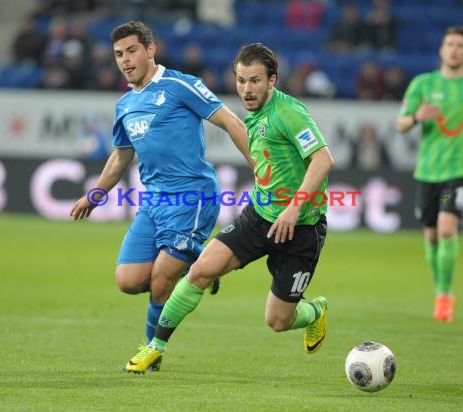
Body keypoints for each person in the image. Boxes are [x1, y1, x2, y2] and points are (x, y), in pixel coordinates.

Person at [125, 43, 335, 374]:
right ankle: (155, 347)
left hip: (301, 227)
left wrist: (294, 208)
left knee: (278, 321)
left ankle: (316, 312)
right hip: (258, 218)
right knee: (200, 271)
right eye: (240, 80)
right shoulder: (251, 118)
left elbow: (323, 159)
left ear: (272, 81)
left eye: (254, 81)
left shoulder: (290, 113)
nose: (246, 90)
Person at [69, 21, 252, 370]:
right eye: (119, 54)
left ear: (151, 49)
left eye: (132, 50)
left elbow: (232, 122)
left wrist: (260, 169)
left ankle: (153, 352)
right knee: (128, 281)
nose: (125, 60)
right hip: (154, 203)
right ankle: (200, 267)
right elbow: (121, 155)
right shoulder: (125, 104)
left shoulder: (181, 85)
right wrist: (95, 194)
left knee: (160, 282)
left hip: (192, 198)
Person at [396, 26, 463, 323]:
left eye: (459, 46)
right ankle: (440, 288)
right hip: (428, 170)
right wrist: (416, 117)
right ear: (441, 49)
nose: (453, 49)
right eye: (449, 44)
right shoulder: (423, 84)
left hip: (461, 170)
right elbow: (400, 123)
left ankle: (443, 294)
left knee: (447, 229)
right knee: (431, 235)